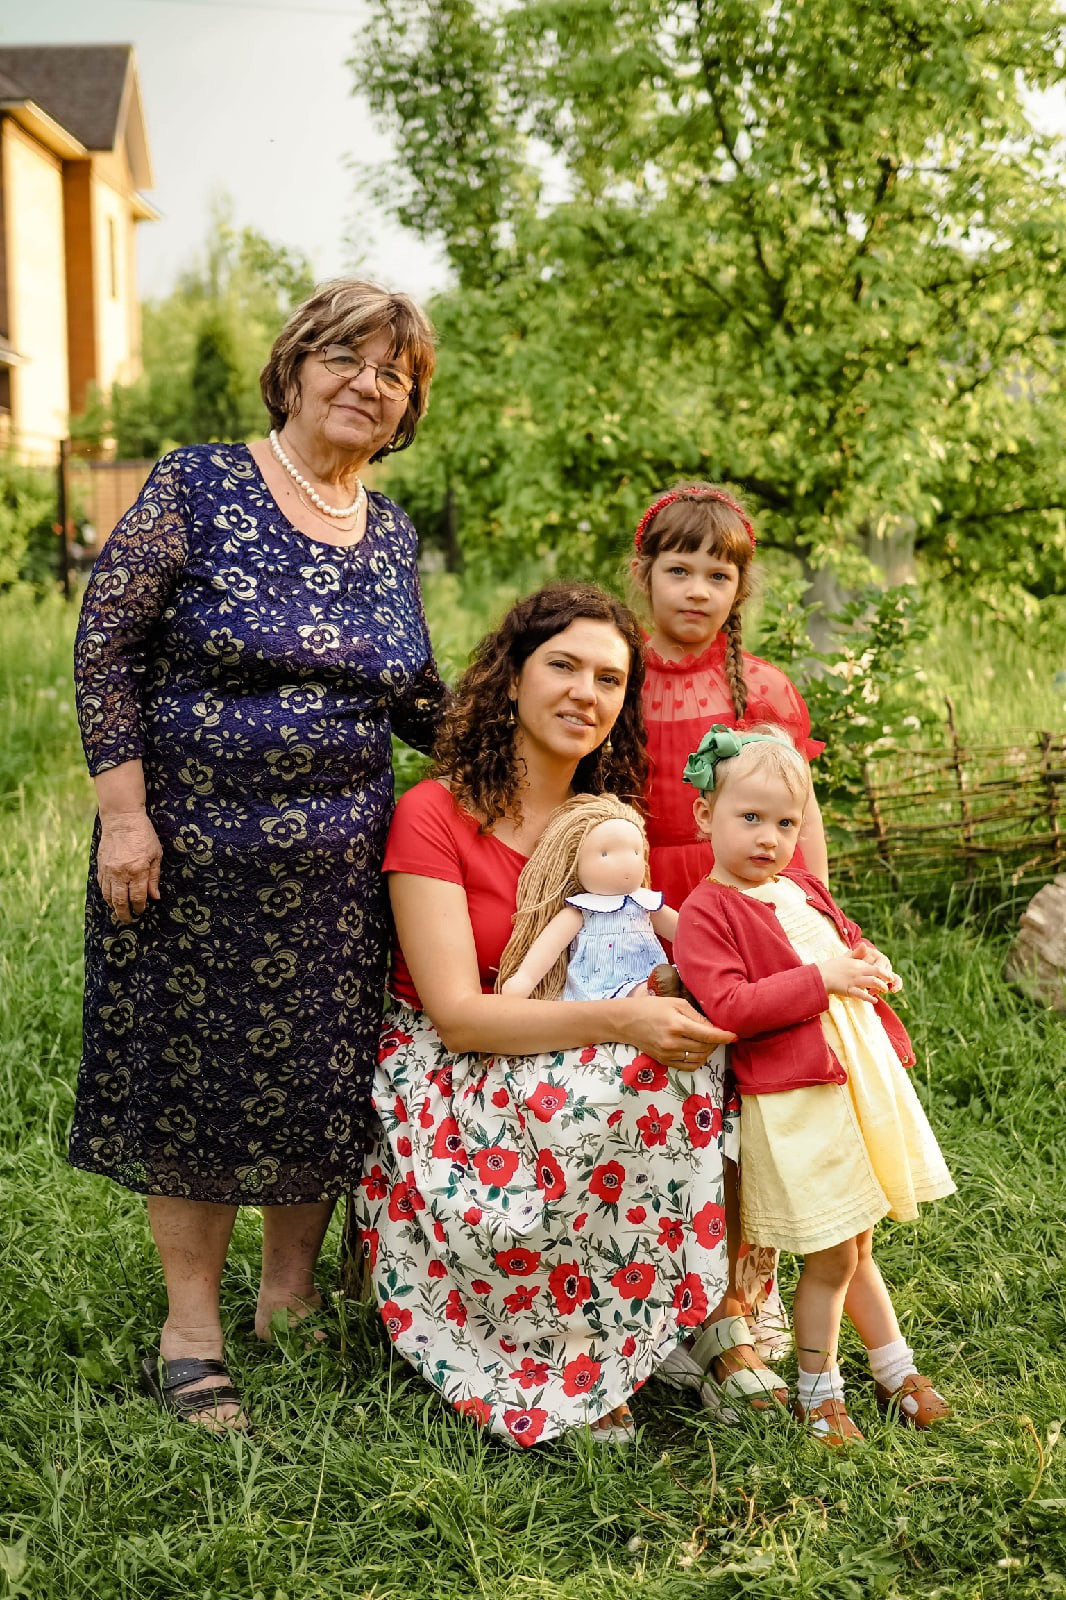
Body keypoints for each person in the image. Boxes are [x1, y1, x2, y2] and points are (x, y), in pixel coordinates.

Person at [71, 278, 447, 1431]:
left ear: (405, 413)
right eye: (345, 356)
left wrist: (547, 722)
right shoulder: (200, 481)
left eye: (393, 373)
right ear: (293, 367)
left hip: (341, 868)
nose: (365, 382)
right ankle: (192, 1329)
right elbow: (106, 646)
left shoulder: (389, 532)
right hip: (190, 853)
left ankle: (290, 1297)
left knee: (320, 1076)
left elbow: (416, 700)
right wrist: (125, 816)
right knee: (195, 1073)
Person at [356, 584, 733, 1448]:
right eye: (562, 666)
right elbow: (458, 1016)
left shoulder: (608, 830)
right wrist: (622, 1023)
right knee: (617, 1077)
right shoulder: (435, 813)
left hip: (588, 1034)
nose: (586, 694)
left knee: (711, 1056)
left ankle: (698, 1312)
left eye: (609, 679)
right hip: (463, 1066)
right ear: (511, 678)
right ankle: (570, 1348)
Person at [672, 725, 956, 1446]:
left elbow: (842, 936)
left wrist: (866, 957)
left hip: (854, 1087)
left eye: (787, 823)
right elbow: (730, 1006)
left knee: (859, 1244)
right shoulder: (708, 911)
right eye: (751, 818)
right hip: (797, 1103)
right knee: (830, 1252)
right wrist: (820, 980)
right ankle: (817, 1391)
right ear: (706, 815)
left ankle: (895, 1367)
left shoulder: (796, 885)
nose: (770, 837)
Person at [630, 482, 828, 1410]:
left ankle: (748, 1294)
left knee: (754, 1112)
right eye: (680, 569)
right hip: (648, 916)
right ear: (645, 575)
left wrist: (811, 917)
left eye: (720, 573)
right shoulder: (619, 672)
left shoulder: (764, 689)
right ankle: (675, 1296)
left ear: (741, 586)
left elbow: (798, 817)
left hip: (748, 918)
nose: (699, 590)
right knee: (675, 1102)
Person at [497, 795, 677, 1001]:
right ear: (574, 861)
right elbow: (550, 946)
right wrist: (525, 979)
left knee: (658, 989)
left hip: (648, 979)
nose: (627, 862)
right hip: (598, 991)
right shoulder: (582, 911)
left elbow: (685, 933)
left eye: (635, 852)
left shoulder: (644, 904)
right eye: (605, 853)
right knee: (644, 997)